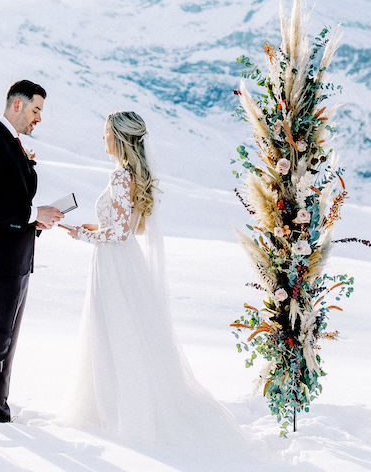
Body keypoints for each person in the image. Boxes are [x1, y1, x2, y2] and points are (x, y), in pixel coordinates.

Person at [62, 111, 242, 444]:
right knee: (127, 331)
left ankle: (118, 409)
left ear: (117, 137)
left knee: (113, 331)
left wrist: (81, 235)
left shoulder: (119, 177)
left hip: (114, 264)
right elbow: (135, 227)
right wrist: (98, 228)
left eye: (105, 133)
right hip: (125, 263)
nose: (102, 138)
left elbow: (118, 235)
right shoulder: (134, 175)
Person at [0, 79, 63, 425]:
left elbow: (12, 201)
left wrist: (34, 222)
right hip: (0, 260)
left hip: (20, 258)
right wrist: (31, 214)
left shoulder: (14, 144)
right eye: (36, 109)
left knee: (8, 346)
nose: (39, 117)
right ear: (17, 105)